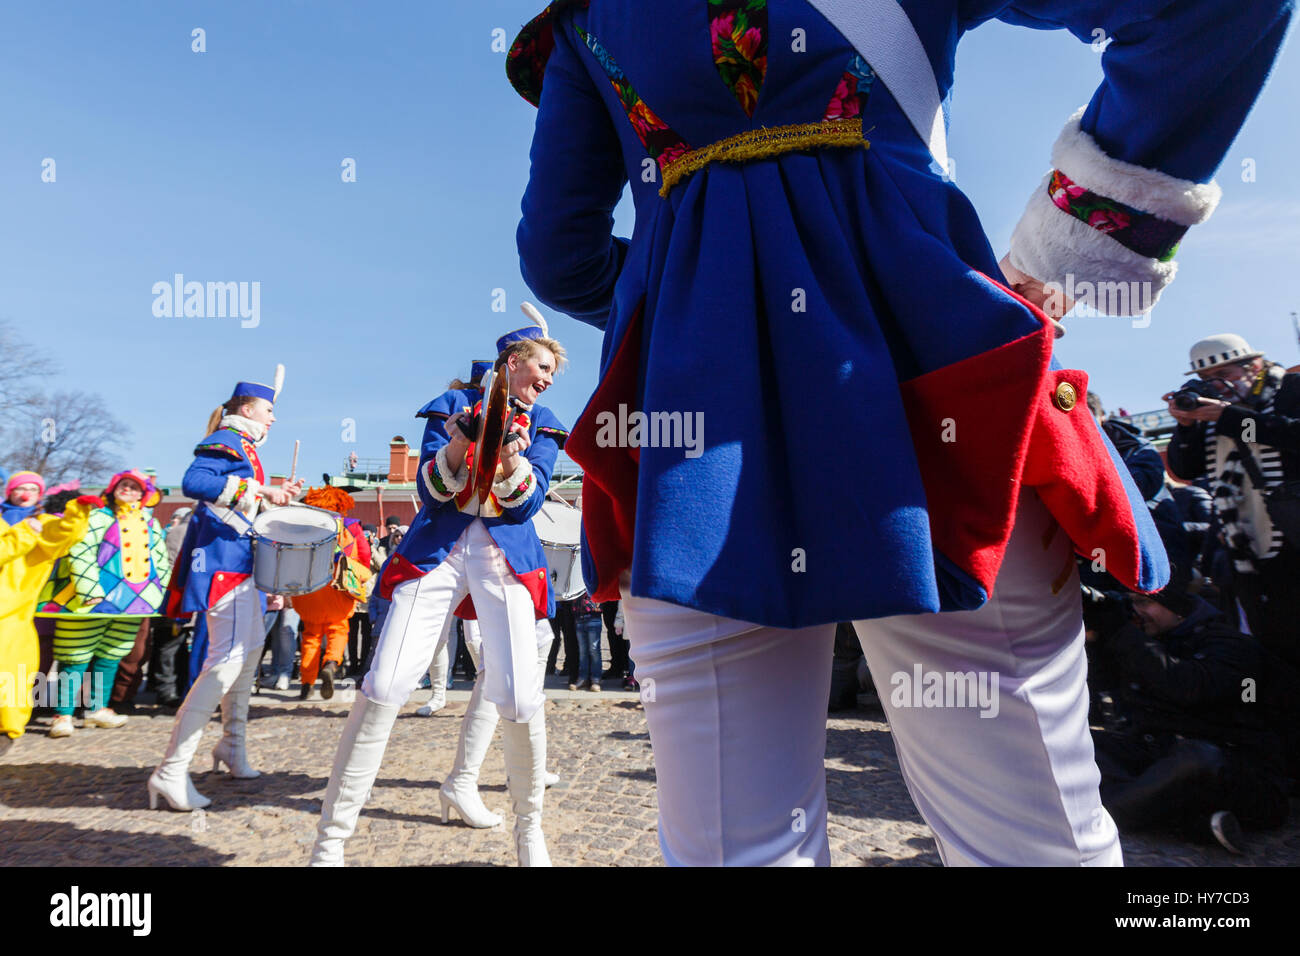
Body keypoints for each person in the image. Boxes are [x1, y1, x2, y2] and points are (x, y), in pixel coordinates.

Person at [508, 0, 1290, 865]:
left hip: (698, 441)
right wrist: (1065, 245)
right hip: (931, 384)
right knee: (1031, 839)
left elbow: (559, 256)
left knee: (737, 846)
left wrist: (706, 288)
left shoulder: (588, 18)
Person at [311, 318, 568, 866]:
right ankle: (329, 845)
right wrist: (458, 442)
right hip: (438, 551)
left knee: (521, 696)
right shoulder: (450, 404)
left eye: (552, 372)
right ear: (514, 359)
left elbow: (526, 502)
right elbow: (431, 494)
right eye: (543, 366)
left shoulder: (543, 422)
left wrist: (508, 458)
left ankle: (529, 833)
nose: (548, 379)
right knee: (384, 684)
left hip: (505, 558)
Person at [148, 368, 303, 811]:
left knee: (250, 652)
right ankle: (170, 770)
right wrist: (258, 488)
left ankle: (231, 747)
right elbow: (195, 482)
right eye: (269, 410)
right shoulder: (229, 441)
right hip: (224, 568)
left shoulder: (247, 448)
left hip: (242, 567)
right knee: (227, 661)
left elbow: (242, 500)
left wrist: (273, 494)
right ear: (246, 409)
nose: (273, 419)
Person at [1086, 568, 1293, 853]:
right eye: (1132, 601)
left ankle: (1100, 819)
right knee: (1087, 743)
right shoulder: (1149, 635)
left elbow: (1187, 686)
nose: (1137, 610)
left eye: (1145, 602)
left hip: (1242, 773)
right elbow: (1107, 688)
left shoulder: (1232, 644)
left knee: (1194, 758)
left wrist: (1122, 633)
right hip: (1163, 753)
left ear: (1178, 608)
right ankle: (1190, 823)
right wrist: (1100, 640)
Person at [1164, 334, 1300, 667]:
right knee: (1273, 638)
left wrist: (1229, 418)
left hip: (1292, 534)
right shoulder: (1216, 416)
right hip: (1247, 546)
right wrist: (1186, 427)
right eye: (1207, 379)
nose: (1217, 386)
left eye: (1224, 374)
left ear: (1254, 365)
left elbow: (1292, 434)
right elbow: (1186, 469)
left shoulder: (1290, 390)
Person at [38, 471, 171, 737]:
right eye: (124, 485)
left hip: (134, 603)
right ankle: (62, 714)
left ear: (143, 495)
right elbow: (81, 551)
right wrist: (89, 590)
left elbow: (160, 559)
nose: (129, 490)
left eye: (135, 488)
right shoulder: (97, 517)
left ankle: (96, 709)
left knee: (111, 655)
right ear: (113, 489)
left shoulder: (150, 522)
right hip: (90, 601)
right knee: (74, 656)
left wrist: (157, 594)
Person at [0, 491, 98, 755]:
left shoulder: (38, 523)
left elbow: (63, 535)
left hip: (13, 619)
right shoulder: (24, 528)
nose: (26, 494)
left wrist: (78, 511)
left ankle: (7, 730)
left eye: (34, 489)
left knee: (13, 676)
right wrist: (25, 535)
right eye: (22, 488)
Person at [290, 486, 371, 700]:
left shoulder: (304, 528)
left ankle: (307, 682)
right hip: (338, 585)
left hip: (309, 589)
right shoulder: (350, 527)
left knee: (311, 636)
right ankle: (331, 663)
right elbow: (364, 556)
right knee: (338, 630)